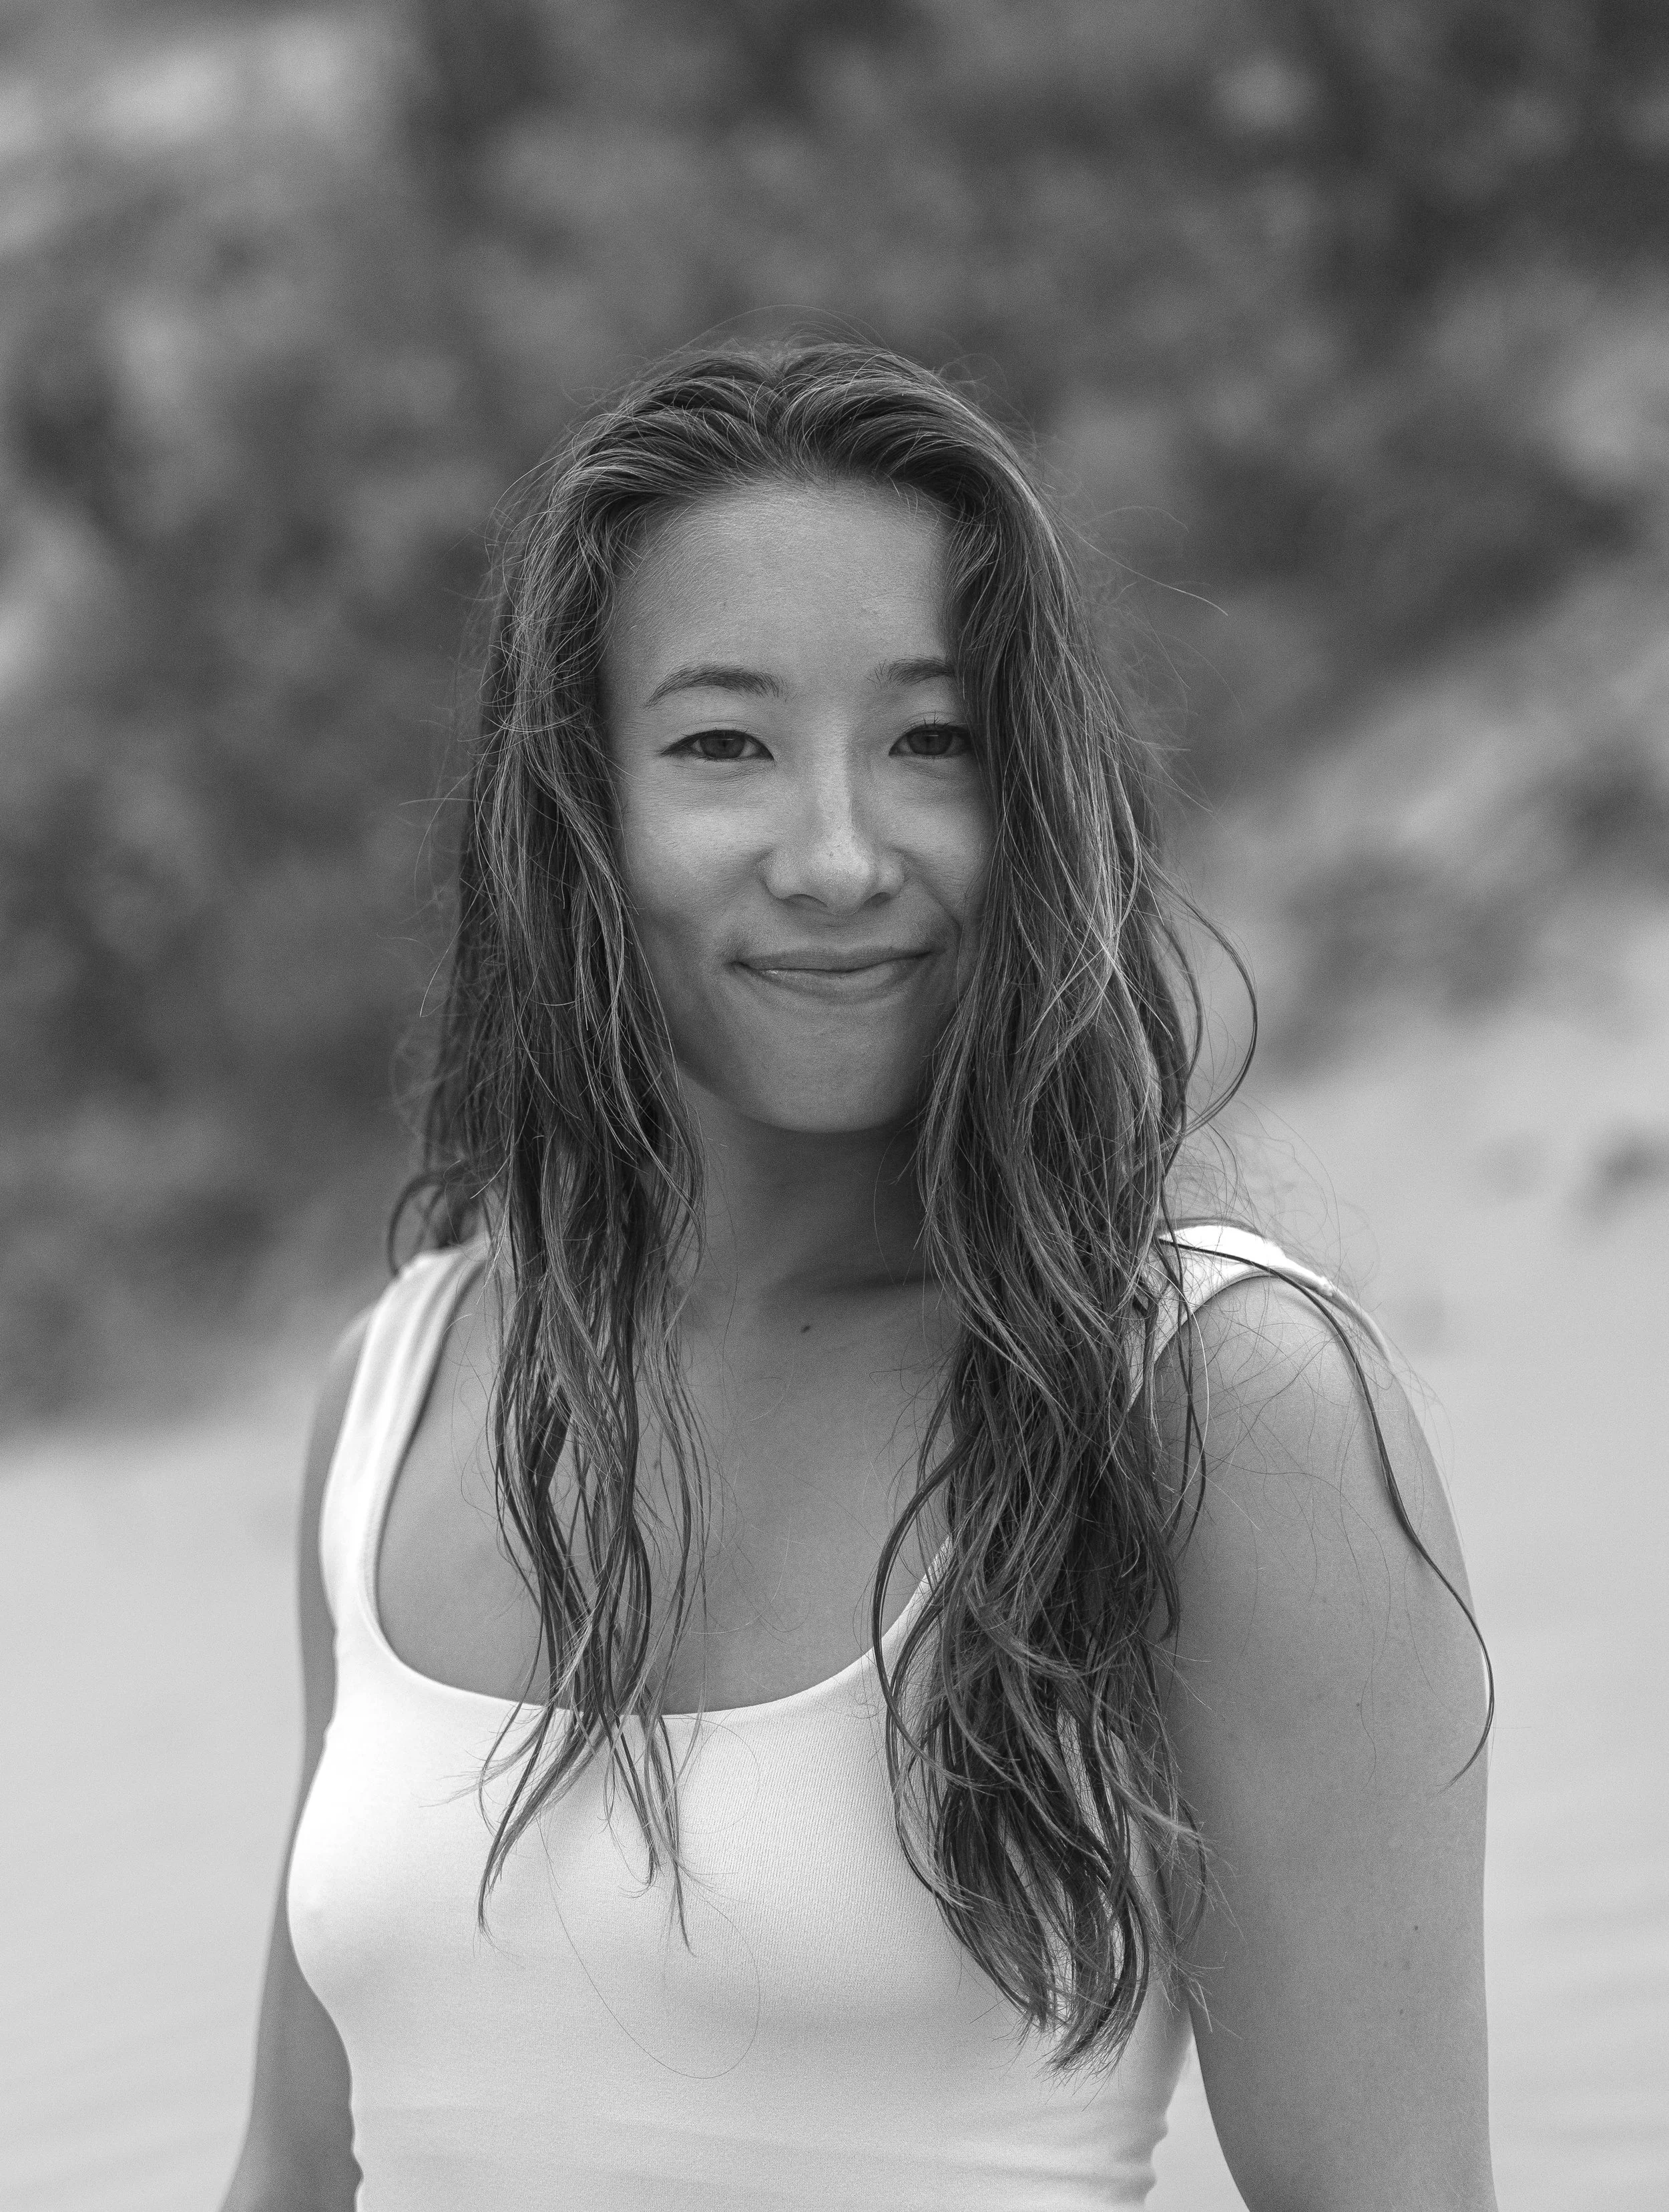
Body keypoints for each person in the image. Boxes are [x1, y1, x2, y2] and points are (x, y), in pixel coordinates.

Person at [220, 343, 1495, 2211]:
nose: (836, 854)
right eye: (722, 743)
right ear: (577, 809)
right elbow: (290, 2173)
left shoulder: (1213, 1401)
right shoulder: (411, 1383)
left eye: (933, 741)